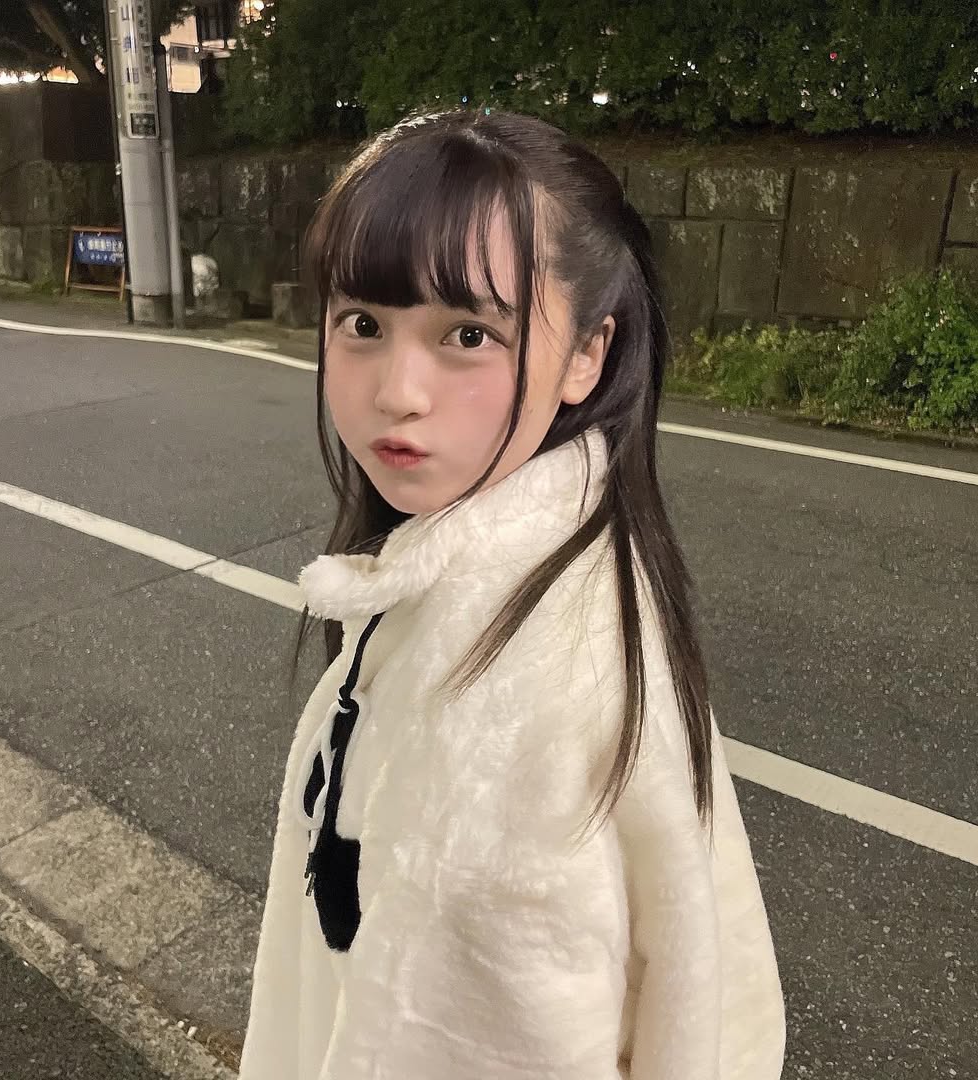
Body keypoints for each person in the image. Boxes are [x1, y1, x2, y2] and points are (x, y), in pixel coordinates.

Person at [238, 108, 785, 1080]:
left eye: (467, 334)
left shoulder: (514, 726)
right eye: (363, 324)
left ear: (587, 353)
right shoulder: (540, 562)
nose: (398, 390)